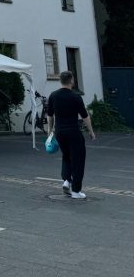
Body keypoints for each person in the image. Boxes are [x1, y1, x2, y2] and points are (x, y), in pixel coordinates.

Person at [46, 71, 96, 199]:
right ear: (72, 81)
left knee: (67, 156)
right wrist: (91, 131)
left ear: (60, 81)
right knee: (78, 159)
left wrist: (50, 131)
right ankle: (76, 191)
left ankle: (66, 181)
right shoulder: (75, 96)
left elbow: (50, 115)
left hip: (60, 133)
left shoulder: (53, 95)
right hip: (73, 132)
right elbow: (85, 116)